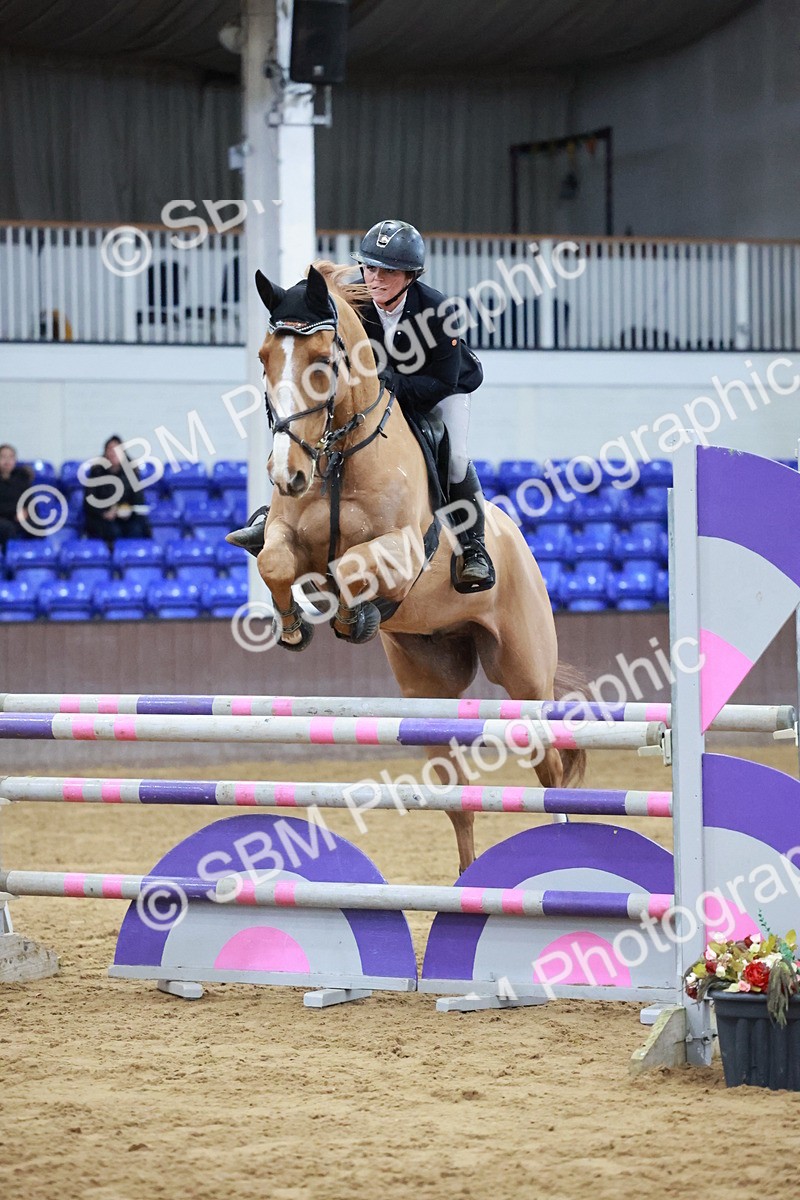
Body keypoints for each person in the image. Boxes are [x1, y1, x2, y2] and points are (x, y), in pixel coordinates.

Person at [229, 219, 494, 591]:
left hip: (440, 389)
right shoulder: (356, 301)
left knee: (455, 458)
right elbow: (312, 301)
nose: (375, 278)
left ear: (410, 275)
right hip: (381, 391)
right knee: (316, 430)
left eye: (388, 271)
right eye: (370, 267)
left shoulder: (438, 311)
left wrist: (394, 386)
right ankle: (274, 519)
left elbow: (442, 381)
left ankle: (474, 547)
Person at [82, 436, 152, 544]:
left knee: (137, 529)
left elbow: (139, 501)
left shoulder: (132, 472)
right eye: (110, 450)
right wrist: (104, 513)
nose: (113, 453)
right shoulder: (96, 472)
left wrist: (127, 510)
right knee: (112, 531)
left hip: (127, 517)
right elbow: (88, 502)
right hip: (103, 518)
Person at [0, 443, 33, 548]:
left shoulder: (22, 478)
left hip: (18, 517)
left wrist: (26, 510)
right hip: (3, 518)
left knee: (36, 524)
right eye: (3, 457)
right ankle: (11, 558)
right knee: (7, 527)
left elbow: (29, 499)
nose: (7, 461)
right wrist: (15, 511)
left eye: (11, 457)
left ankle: (34, 556)